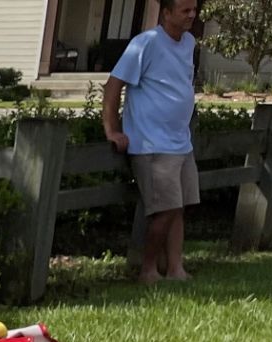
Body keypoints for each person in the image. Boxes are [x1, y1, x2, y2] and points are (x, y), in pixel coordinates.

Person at [103, 0, 200, 284]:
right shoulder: (145, 43)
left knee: (178, 208)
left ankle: (175, 268)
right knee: (164, 210)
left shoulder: (189, 42)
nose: (192, 15)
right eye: (185, 10)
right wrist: (112, 130)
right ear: (167, 13)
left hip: (181, 142)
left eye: (194, 10)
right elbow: (113, 86)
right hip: (152, 144)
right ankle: (147, 270)